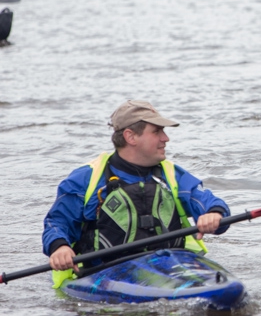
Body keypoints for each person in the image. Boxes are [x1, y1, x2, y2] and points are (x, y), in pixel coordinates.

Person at [43, 100, 230, 286]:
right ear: (130, 137)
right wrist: (60, 247)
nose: (166, 138)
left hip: (170, 264)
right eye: (157, 132)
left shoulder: (173, 175)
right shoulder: (86, 179)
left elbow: (207, 201)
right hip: (107, 273)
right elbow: (57, 222)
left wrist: (214, 213)